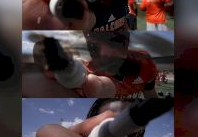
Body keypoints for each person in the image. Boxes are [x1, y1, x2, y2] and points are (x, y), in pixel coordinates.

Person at [31, 31, 159, 98]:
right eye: (94, 46)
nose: (105, 54)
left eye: (115, 42)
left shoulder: (144, 61)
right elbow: (99, 87)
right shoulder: (85, 74)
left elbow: (150, 93)